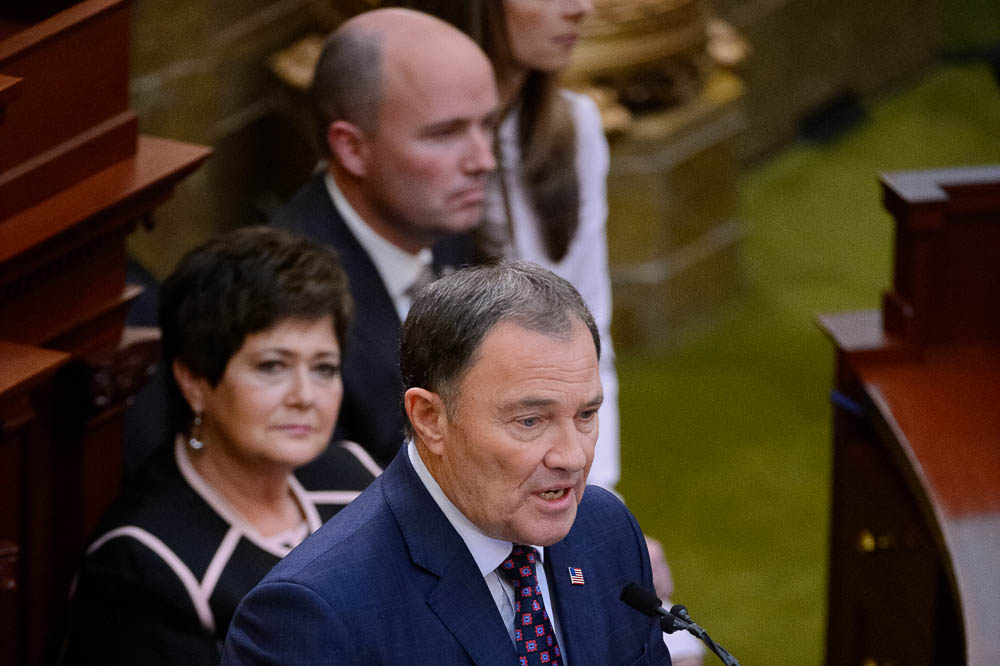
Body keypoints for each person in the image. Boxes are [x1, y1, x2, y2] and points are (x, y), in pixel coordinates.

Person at [223, 262, 672, 664]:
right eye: (531, 420)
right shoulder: (312, 616)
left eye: (586, 415)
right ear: (430, 419)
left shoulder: (606, 531)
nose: (572, 455)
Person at [60, 227, 381, 665]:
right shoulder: (141, 563)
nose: (305, 395)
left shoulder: (357, 480)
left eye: (324, 368)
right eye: (272, 366)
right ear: (194, 380)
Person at [395, 0, 621, 493]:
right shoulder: (408, 166)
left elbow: (588, 338)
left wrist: (590, 492)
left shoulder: (574, 126)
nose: (581, 8)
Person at [272, 7, 499, 468]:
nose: (483, 160)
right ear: (352, 148)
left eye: (487, 125)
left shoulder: (444, 226)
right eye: (445, 134)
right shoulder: (285, 300)